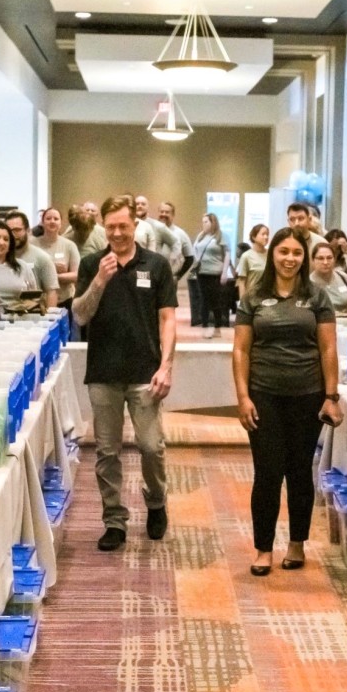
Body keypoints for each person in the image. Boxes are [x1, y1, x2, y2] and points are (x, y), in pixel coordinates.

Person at [232, 227, 343, 576]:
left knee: (299, 474)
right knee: (267, 473)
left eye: (297, 253)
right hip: (263, 394)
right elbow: (240, 349)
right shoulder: (253, 297)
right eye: (283, 252)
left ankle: (296, 545)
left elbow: (328, 349)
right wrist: (242, 396)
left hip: (307, 395)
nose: (290, 259)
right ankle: (263, 548)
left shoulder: (317, 297)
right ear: (272, 255)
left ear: (304, 257)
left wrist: (331, 396)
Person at [74, 195, 177, 552]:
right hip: (103, 372)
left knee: (151, 446)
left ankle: (156, 502)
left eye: (124, 226)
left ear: (135, 225)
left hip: (145, 373)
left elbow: (168, 319)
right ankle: (114, 520)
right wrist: (100, 281)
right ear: (104, 227)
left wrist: (166, 366)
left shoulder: (157, 265)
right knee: (107, 451)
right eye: (111, 226)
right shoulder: (91, 264)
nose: (117, 233)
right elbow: (80, 315)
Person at [0, 219, 40, 308]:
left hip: (21, 318)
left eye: (6, 239)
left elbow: (34, 298)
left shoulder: (22, 266)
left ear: (10, 245)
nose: (1, 242)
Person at [5, 211, 58, 310]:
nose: (13, 234)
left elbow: (51, 292)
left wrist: (49, 320)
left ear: (28, 231)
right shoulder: (2, 257)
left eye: (17, 230)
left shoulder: (42, 258)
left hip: (32, 317)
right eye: (9, 231)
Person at [190, 213, 231, 339]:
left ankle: (217, 328)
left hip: (215, 273)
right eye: (203, 222)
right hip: (202, 272)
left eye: (206, 222)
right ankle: (205, 327)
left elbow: (227, 254)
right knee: (204, 300)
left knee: (215, 301)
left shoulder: (221, 236)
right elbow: (195, 250)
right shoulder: (201, 236)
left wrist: (225, 272)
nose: (204, 224)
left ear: (213, 222)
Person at [33, 207, 81, 308]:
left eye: (56, 219)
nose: (52, 221)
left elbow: (77, 275)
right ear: (42, 222)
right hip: (37, 302)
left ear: (61, 223)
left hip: (64, 300)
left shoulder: (69, 245)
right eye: (48, 218)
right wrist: (52, 271)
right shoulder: (32, 244)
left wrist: (52, 276)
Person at [310, 241, 347, 314]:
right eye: (320, 258)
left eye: (329, 258)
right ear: (313, 260)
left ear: (334, 259)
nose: (325, 262)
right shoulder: (308, 283)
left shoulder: (343, 277)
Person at [157, 201, 196, 283]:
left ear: (173, 215)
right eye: (161, 211)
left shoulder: (180, 234)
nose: (163, 214)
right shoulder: (152, 230)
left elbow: (190, 258)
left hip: (169, 279)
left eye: (167, 212)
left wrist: (178, 276)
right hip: (153, 277)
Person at [133, 194, 181, 259]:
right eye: (137, 204)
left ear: (148, 207)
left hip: (153, 266)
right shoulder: (127, 225)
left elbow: (176, 243)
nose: (140, 206)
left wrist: (171, 265)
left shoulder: (158, 226)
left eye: (143, 204)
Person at [236, 224, 270, 300]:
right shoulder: (246, 256)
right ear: (254, 237)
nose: (266, 237)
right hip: (252, 299)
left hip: (267, 298)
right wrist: (243, 302)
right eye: (263, 234)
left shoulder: (271, 255)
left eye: (267, 234)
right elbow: (242, 282)